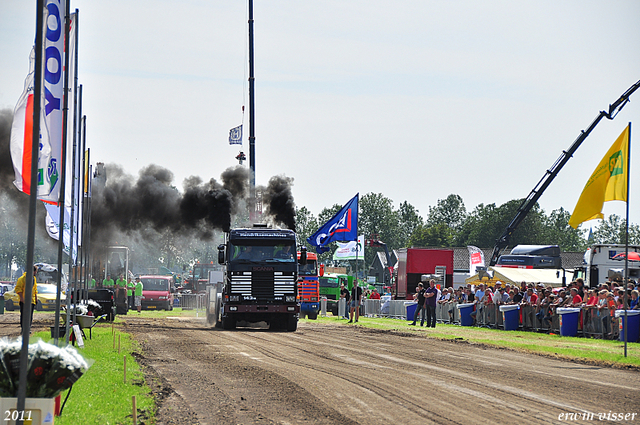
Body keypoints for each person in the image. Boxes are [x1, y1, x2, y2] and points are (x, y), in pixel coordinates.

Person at [15, 265, 38, 330]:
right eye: (35, 271)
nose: (36, 273)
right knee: (24, 315)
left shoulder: (34, 279)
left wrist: (36, 298)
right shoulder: (22, 279)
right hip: (24, 301)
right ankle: (23, 328)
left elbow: (35, 289)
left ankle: (28, 328)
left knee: (30, 316)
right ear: (32, 271)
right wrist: (21, 298)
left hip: (32, 300)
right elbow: (18, 289)